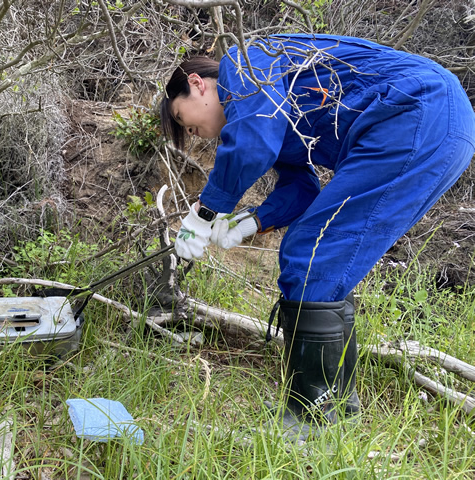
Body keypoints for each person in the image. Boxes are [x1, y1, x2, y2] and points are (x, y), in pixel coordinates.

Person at [160, 34, 475, 439]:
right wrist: (252, 222)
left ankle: (312, 421)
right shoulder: (269, 98)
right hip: (434, 121)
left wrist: (204, 213)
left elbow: (254, 140)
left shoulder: (245, 65)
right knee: (321, 252)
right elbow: (301, 185)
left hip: (415, 112)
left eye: (187, 121)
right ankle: (335, 408)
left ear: (197, 83)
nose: (199, 134)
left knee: (313, 252)